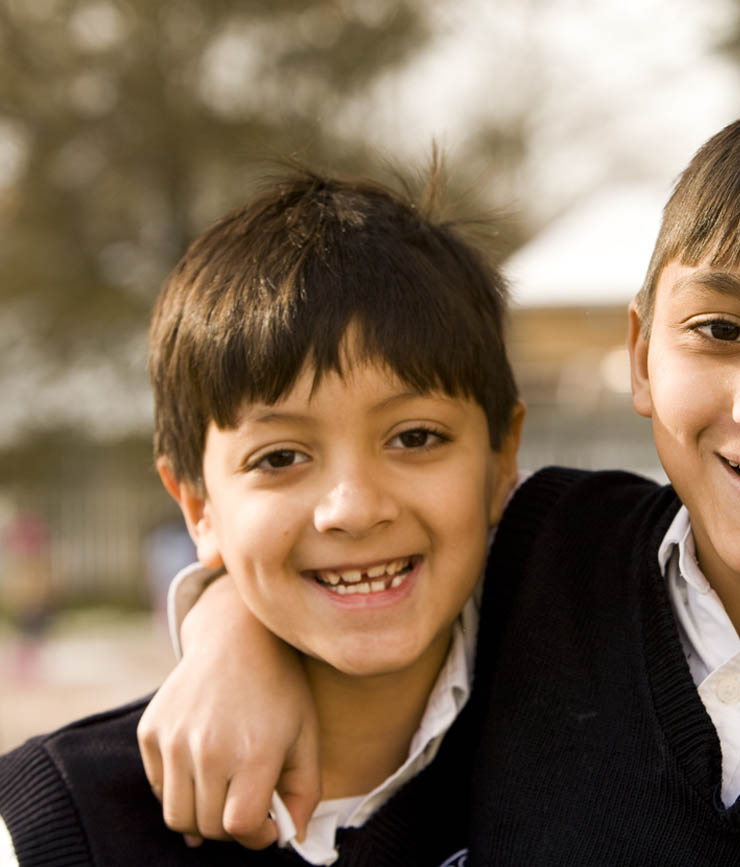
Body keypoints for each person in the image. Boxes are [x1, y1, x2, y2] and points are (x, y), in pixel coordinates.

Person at [135, 85, 740, 865]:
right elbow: (359, 550)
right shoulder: (550, 553)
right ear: (641, 354)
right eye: (721, 330)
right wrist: (228, 632)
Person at [0, 166, 523, 866]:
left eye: (415, 437)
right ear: (196, 504)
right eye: (279, 457)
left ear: (500, 459)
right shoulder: (63, 824)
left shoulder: (604, 723)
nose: (354, 507)